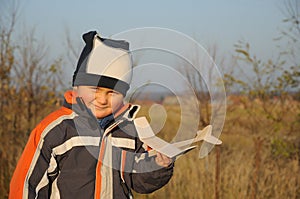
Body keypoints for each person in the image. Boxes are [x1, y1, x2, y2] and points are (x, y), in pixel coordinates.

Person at [9, 30, 174, 199]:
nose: (102, 99)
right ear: (77, 87)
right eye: (95, 90)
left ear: (123, 95)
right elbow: (27, 185)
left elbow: (139, 180)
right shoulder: (56, 130)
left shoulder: (130, 130)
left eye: (112, 93)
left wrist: (159, 165)